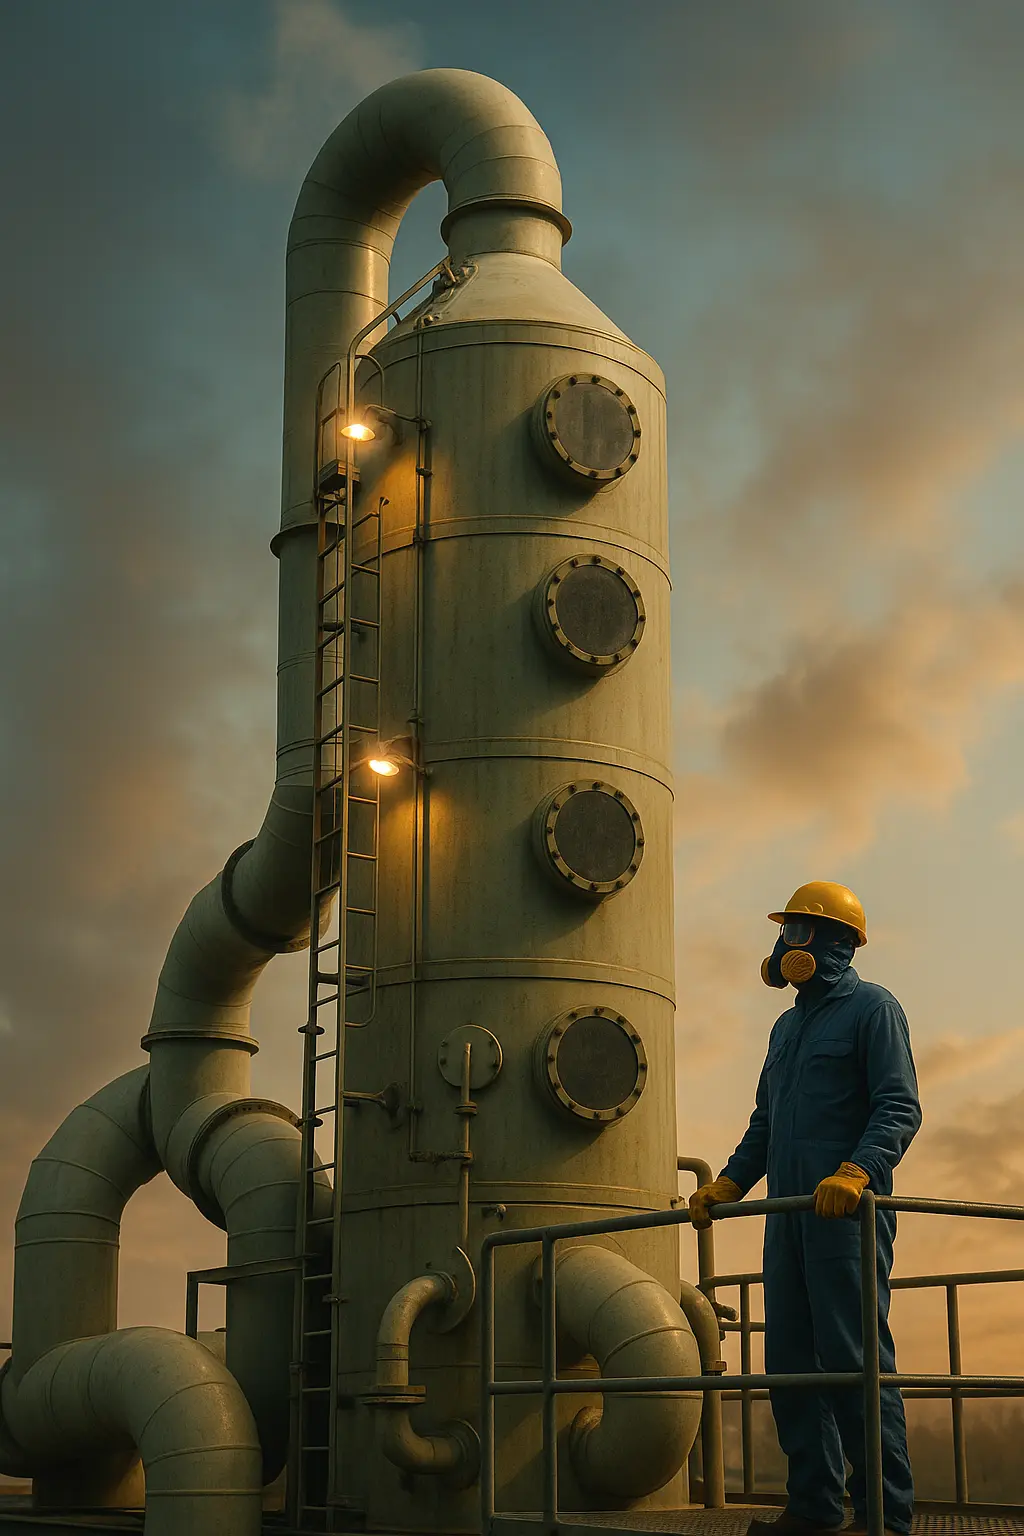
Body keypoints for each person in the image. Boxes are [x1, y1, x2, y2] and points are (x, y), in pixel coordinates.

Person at [689, 882, 921, 1536]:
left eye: (802, 931)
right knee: (788, 1361)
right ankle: (814, 1506)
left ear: (837, 941)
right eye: (786, 930)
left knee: (854, 1361)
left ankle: (884, 1517)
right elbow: (768, 1121)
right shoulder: (786, 1026)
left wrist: (858, 1170)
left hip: (845, 1218)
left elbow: (899, 1106)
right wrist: (730, 1183)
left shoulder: (874, 1010)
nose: (789, 945)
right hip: (787, 1216)